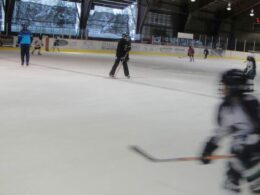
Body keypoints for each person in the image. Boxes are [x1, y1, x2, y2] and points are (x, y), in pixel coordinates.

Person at [200, 69, 260, 195]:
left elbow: (257, 130)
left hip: (254, 155)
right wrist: (209, 148)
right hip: (236, 154)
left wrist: (250, 146)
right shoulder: (225, 108)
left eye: (225, 85)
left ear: (234, 86)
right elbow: (221, 131)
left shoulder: (250, 103)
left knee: (257, 187)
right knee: (230, 186)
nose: (223, 88)